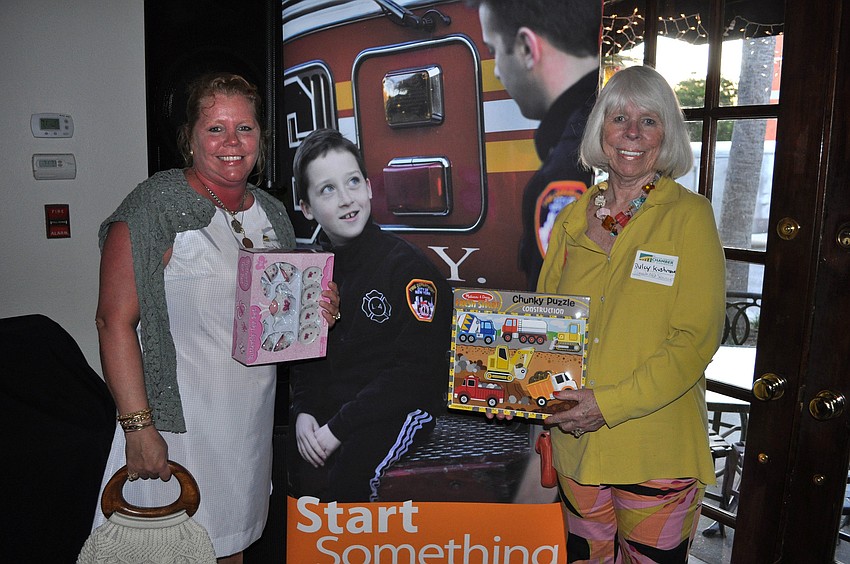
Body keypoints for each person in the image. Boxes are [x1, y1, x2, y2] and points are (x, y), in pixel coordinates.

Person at [92, 72, 339, 563]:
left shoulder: (270, 212)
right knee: (172, 550)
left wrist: (315, 306)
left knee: (232, 546)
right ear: (189, 138)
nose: (232, 142)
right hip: (177, 429)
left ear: (261, 140)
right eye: (215, 128)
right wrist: (139, 429)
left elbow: (275, 315)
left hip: (246, 428)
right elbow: (112, 322)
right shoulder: (153, 207)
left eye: (245, 128)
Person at [537, 65, 726, 562]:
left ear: (667, 136)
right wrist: (520, 393)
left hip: (654, 450)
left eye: (650, 120)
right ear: (601, 129)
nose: (633, 134)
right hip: (578, 446)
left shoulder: (689, 216)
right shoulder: (573, 217)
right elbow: (542, 328)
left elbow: (695, 340)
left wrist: (608, 404)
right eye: (620, 117)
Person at [287, 128, 453, 503]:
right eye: (327, 189)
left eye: (352, 182)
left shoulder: (408, 270)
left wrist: (337, 429)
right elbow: (308, 356)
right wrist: (305, 412)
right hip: (342, 409)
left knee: (351, 478)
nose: (346, 199)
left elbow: (415, 373)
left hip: (403, 407)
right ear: (307, 208)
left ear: (369, 187)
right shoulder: (311, 271)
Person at [470, 0, 602, 290]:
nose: (496, 71)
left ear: (527, 48)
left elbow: (557, 318)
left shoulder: (562, 175)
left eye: (493, 50)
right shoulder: (616, 120)